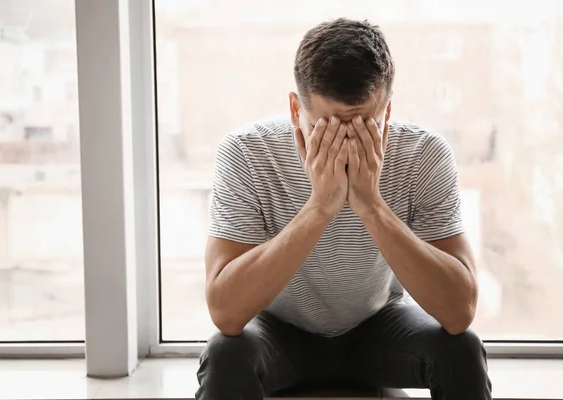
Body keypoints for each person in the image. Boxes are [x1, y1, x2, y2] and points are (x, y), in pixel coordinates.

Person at [196, 18, 492, 400]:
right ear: (294, 109)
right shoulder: (248, 152)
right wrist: (319, 207)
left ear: (386, 113)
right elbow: (226, 312)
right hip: (279, 329)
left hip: (378, 326)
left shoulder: (423, 154)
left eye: (363, 125)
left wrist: (370, 205)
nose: (346, 145)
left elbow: (459, 310)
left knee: (462, 349)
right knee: (224, 354)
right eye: (329, 127)